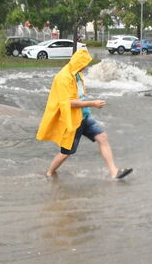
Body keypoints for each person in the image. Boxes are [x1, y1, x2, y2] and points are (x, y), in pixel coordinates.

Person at [37, 49, 133, 179]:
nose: (86, 66)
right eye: (84, 64)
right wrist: (92, 103)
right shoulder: (62, 78)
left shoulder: (78, 74)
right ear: (78, 63)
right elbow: (68, 103)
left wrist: (88, 106)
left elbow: (79, 96)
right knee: (66, 153)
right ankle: (49, 174)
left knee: (102, 137)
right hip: (71, 120)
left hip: (84, 116)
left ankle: (114, 172)